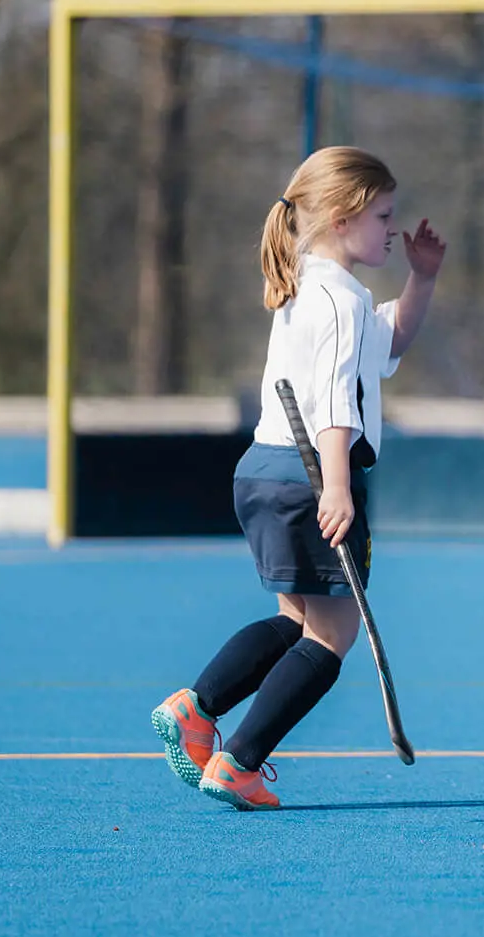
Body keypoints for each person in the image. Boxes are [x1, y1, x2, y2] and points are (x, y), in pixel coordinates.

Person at [150, 146, 445, 810]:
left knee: (296, 615)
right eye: (383, 216)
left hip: (261, 471)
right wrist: (337, 488)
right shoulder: (339, 298)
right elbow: (336, 402)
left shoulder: (308, 287)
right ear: (343, 218)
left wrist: (422, 280)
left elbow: (387, 346)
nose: (393, 231)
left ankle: (197, 707)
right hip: (310, 474)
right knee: (333, 635)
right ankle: (239, 763)